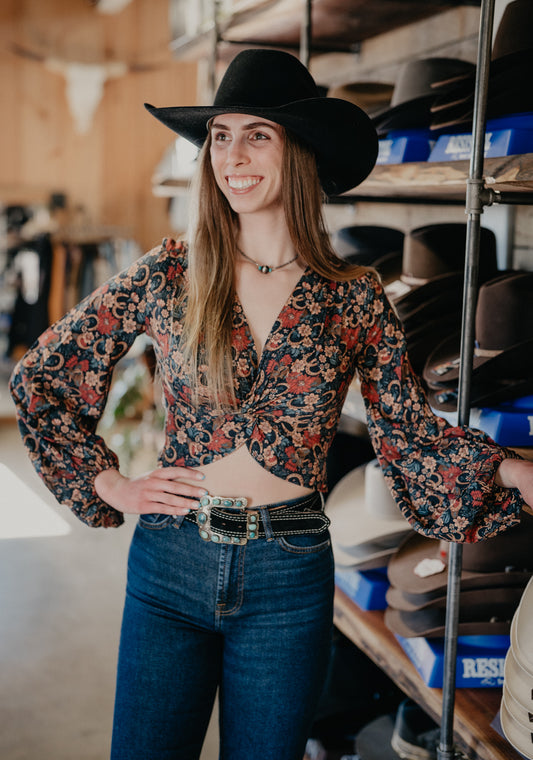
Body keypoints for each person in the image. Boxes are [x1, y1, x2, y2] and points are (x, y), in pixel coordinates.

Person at [9, 48, 533, 760]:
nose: (232, 156)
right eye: (219, 137)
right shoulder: (170, 272)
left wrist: (507, 471)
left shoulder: (352, 297)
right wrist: (111, 484)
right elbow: (44, 378)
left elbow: (408, 437)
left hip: (289, 578)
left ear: (300, 150)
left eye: (257, 134)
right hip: (171, 560)